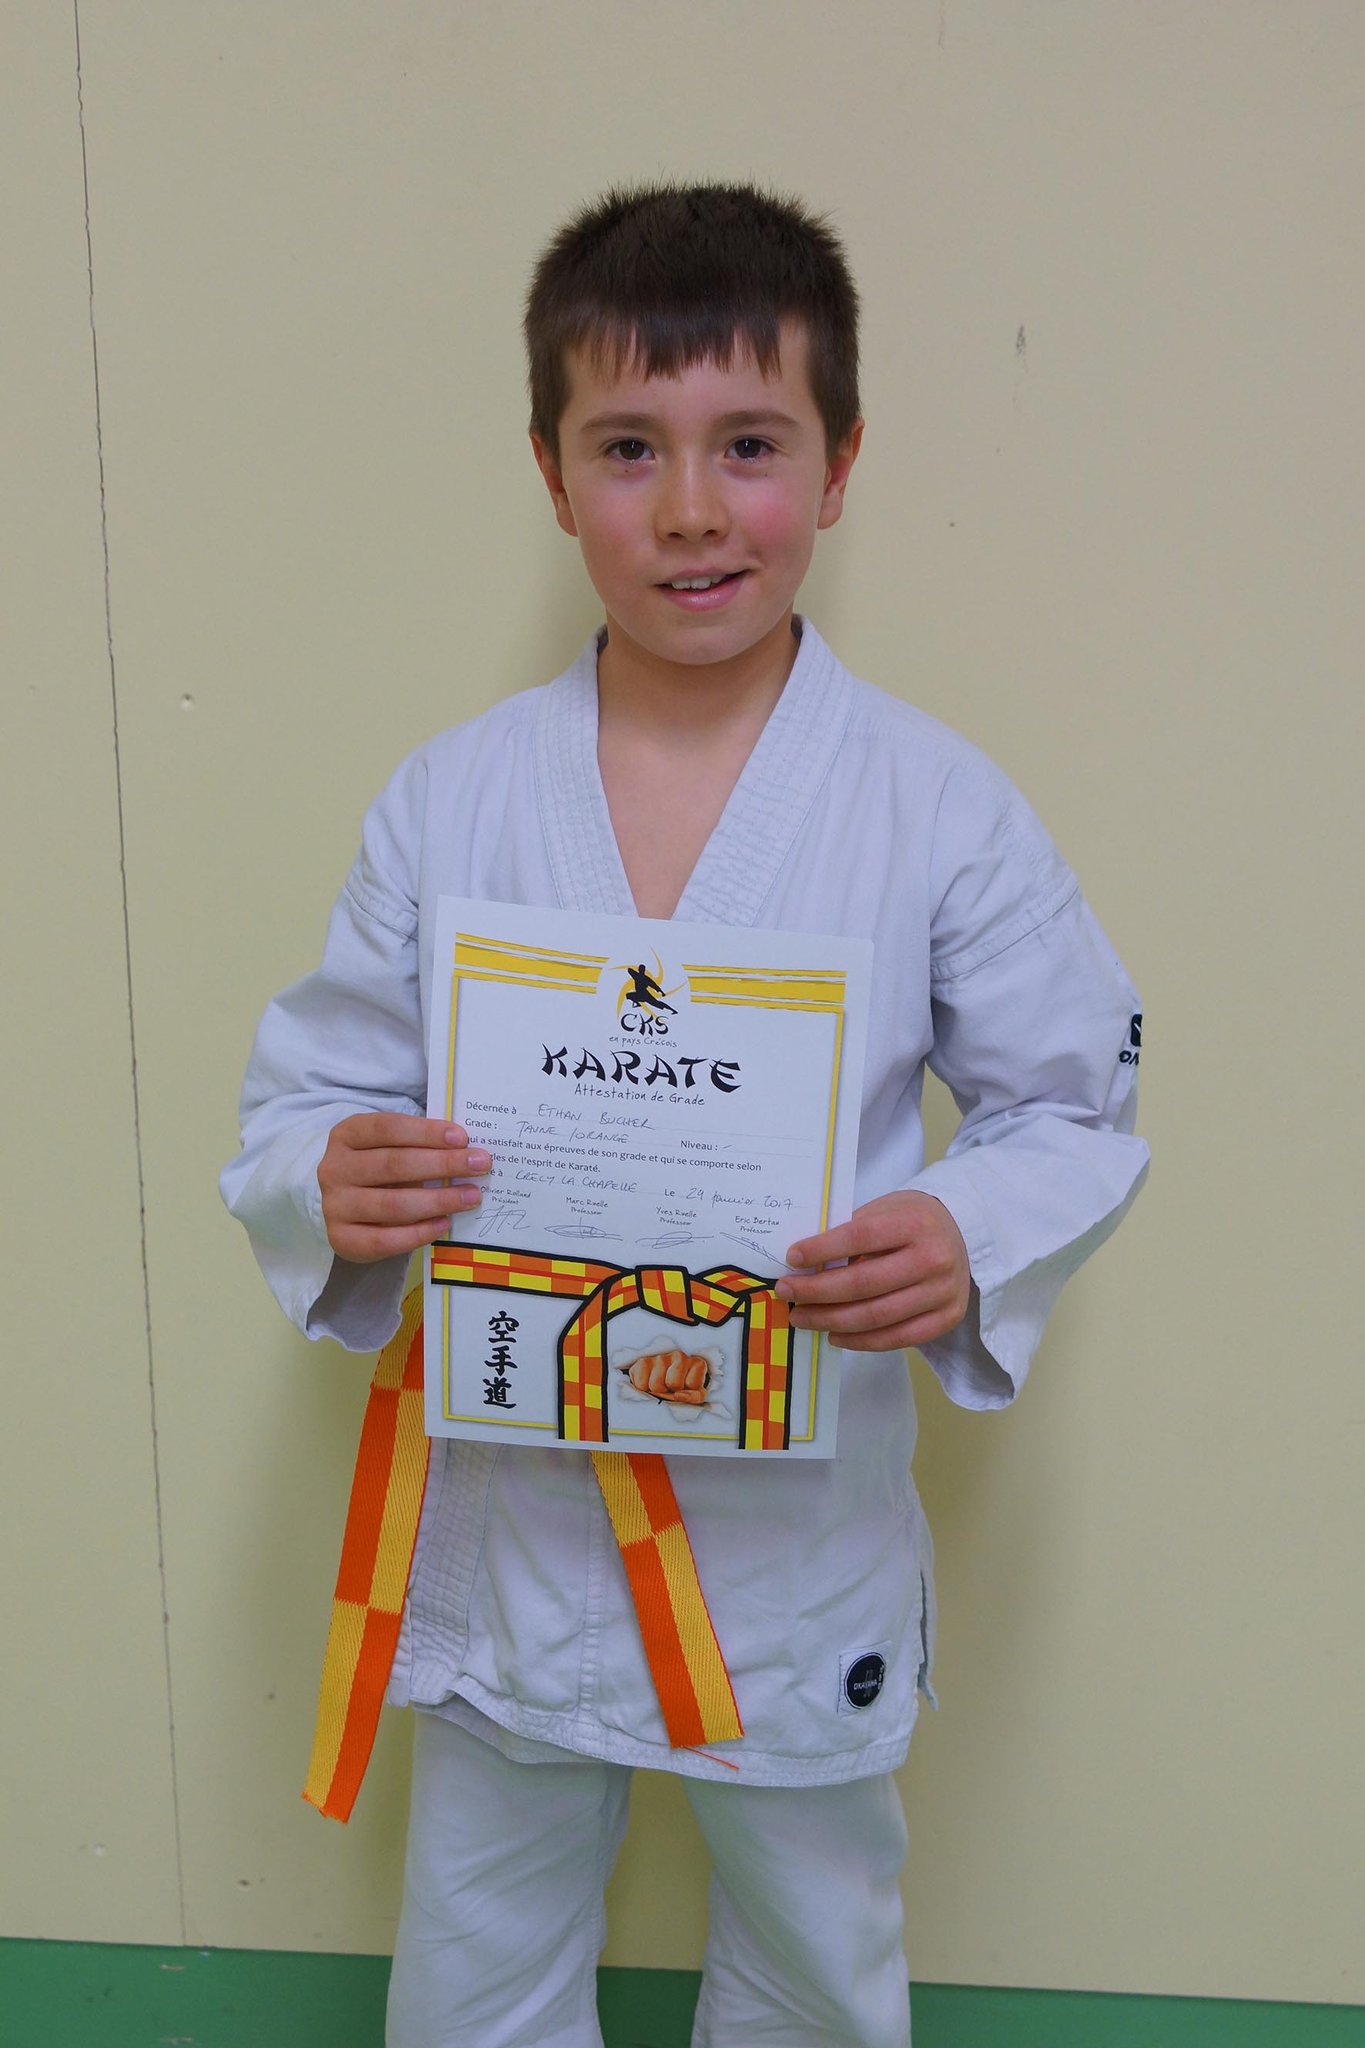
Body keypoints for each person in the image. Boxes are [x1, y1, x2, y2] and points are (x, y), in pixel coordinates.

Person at [221, 182, 1148, 2048]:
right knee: (475, 1961)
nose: (693, 508)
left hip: (786, 1528)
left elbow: (1070, 1107)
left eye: (751, 444)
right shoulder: (453, 798)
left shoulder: (934, 807)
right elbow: (310, 1092)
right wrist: (334, 1170)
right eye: (629, 447)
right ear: (552, 475)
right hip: (514, 1506)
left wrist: (961, 1233)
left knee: (813, 1957)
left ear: (840, 463)